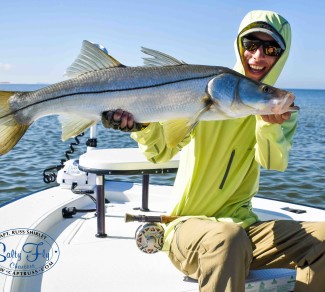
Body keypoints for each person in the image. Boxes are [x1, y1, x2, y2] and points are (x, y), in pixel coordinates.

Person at [102, 10, 325, 292]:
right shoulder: (202, 93)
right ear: (239, 46)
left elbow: (272, 162)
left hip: (245, 230)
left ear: (282, 55)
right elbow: (159, 154)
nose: (258, 56)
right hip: (188, 228)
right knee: (227, 239)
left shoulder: (279, 111)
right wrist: (141, 127)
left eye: (270, 49)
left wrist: (268, 126)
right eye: (250, 45)